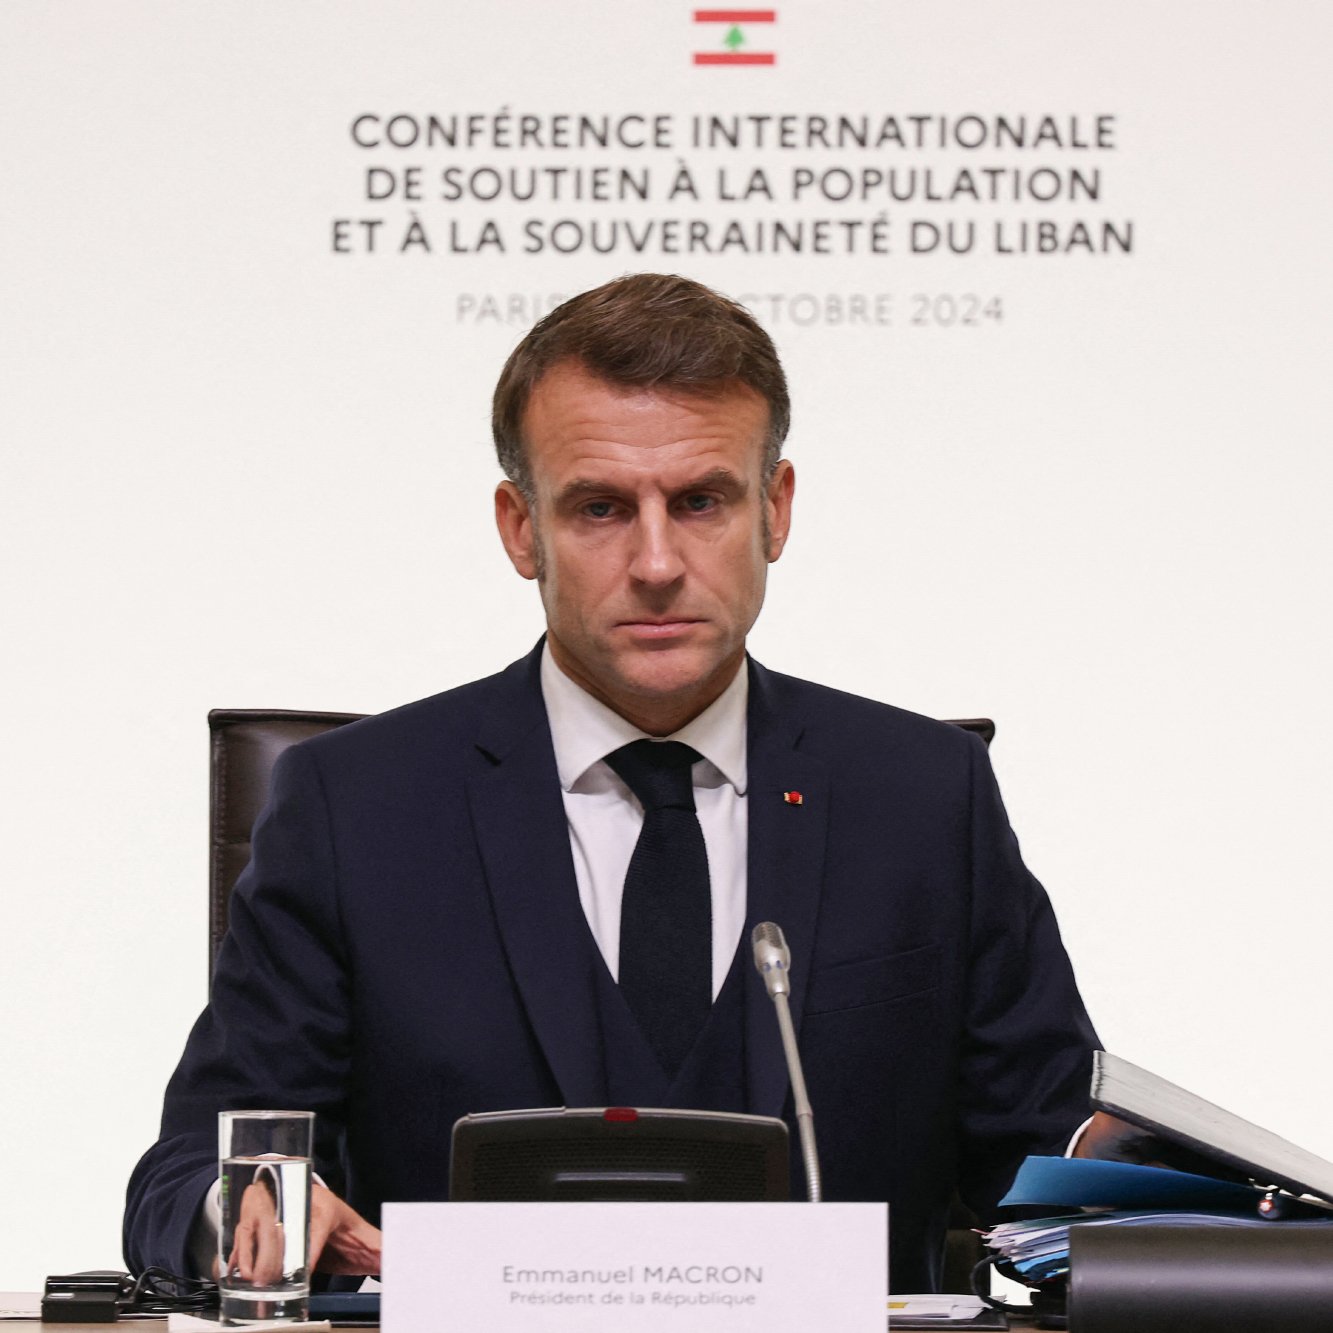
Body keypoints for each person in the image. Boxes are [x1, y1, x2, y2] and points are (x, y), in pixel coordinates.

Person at [124, 273, 1100, 1292]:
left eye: (701, 501)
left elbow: (1048, 1166)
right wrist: (250, 1206)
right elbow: (188, 1173)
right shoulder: (353, 807)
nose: (657, 560)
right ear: (519, 528)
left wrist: (1209, 1210)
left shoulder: (923, 797)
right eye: (598, 507)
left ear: (774, 510)